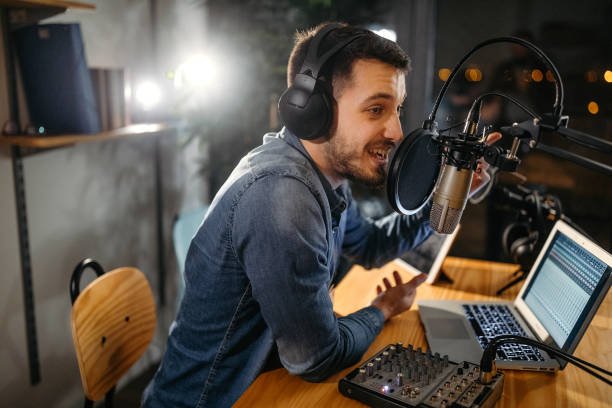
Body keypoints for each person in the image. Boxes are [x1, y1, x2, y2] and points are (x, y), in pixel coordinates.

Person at [143, 22, 495, 407]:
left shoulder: (324, 176)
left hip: (263, 389)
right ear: (313, 109)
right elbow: (317, 358)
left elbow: (372, 244)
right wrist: (381, 309)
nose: (395, 131)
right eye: (376, 109)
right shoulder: (282, 195)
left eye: (397, 110)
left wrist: (454, 194)